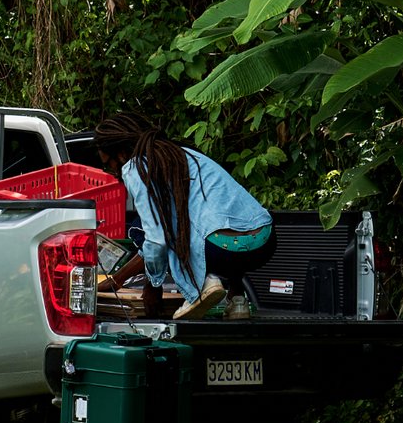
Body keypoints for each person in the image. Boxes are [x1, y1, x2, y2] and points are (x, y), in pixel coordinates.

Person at [92, 113, 274, 319]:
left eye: (109, 165)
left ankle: (202, 283)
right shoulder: (185, 154)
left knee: (139, 227)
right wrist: (117, 279)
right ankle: (237, 300)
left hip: (220, 249)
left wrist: (153, 286)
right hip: (264, 242)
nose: (113, 172)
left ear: (122, 153)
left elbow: (156, 239)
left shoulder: (136, 168)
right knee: (212, 224)